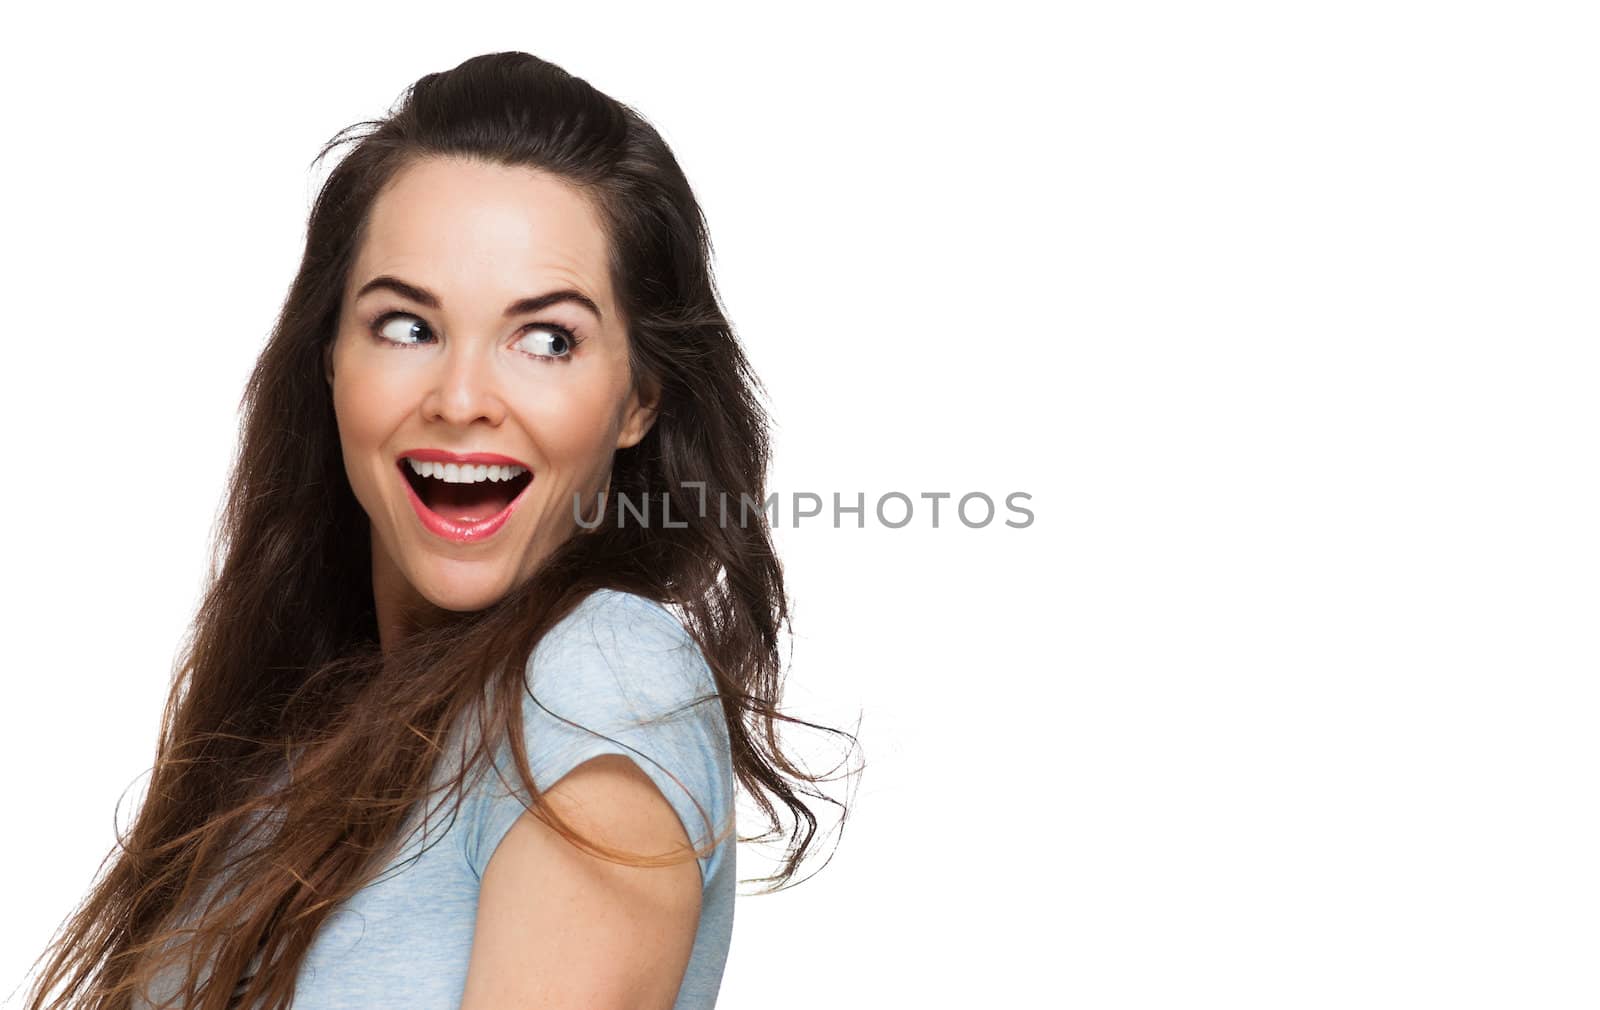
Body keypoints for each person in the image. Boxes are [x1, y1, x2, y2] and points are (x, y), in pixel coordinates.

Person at [25, 51, 855, 1010]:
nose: (462, 400)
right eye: (406, 327)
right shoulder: (295, 749)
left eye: (547, 339)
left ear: (639, 401)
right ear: (329, 358)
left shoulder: (600, 680)